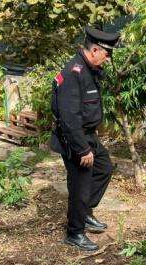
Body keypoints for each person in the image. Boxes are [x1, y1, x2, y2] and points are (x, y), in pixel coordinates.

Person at [50, 26, 119, 251]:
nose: (108, 59)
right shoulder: (74, 73)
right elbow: (69, 118)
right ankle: (75, 233)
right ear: (95, 50)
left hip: (88, 135)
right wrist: (82, 150)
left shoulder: (90, 70)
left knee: (104, 167)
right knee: (80, 186)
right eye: (107, 54)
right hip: (74, 139)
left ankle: (85, 211)